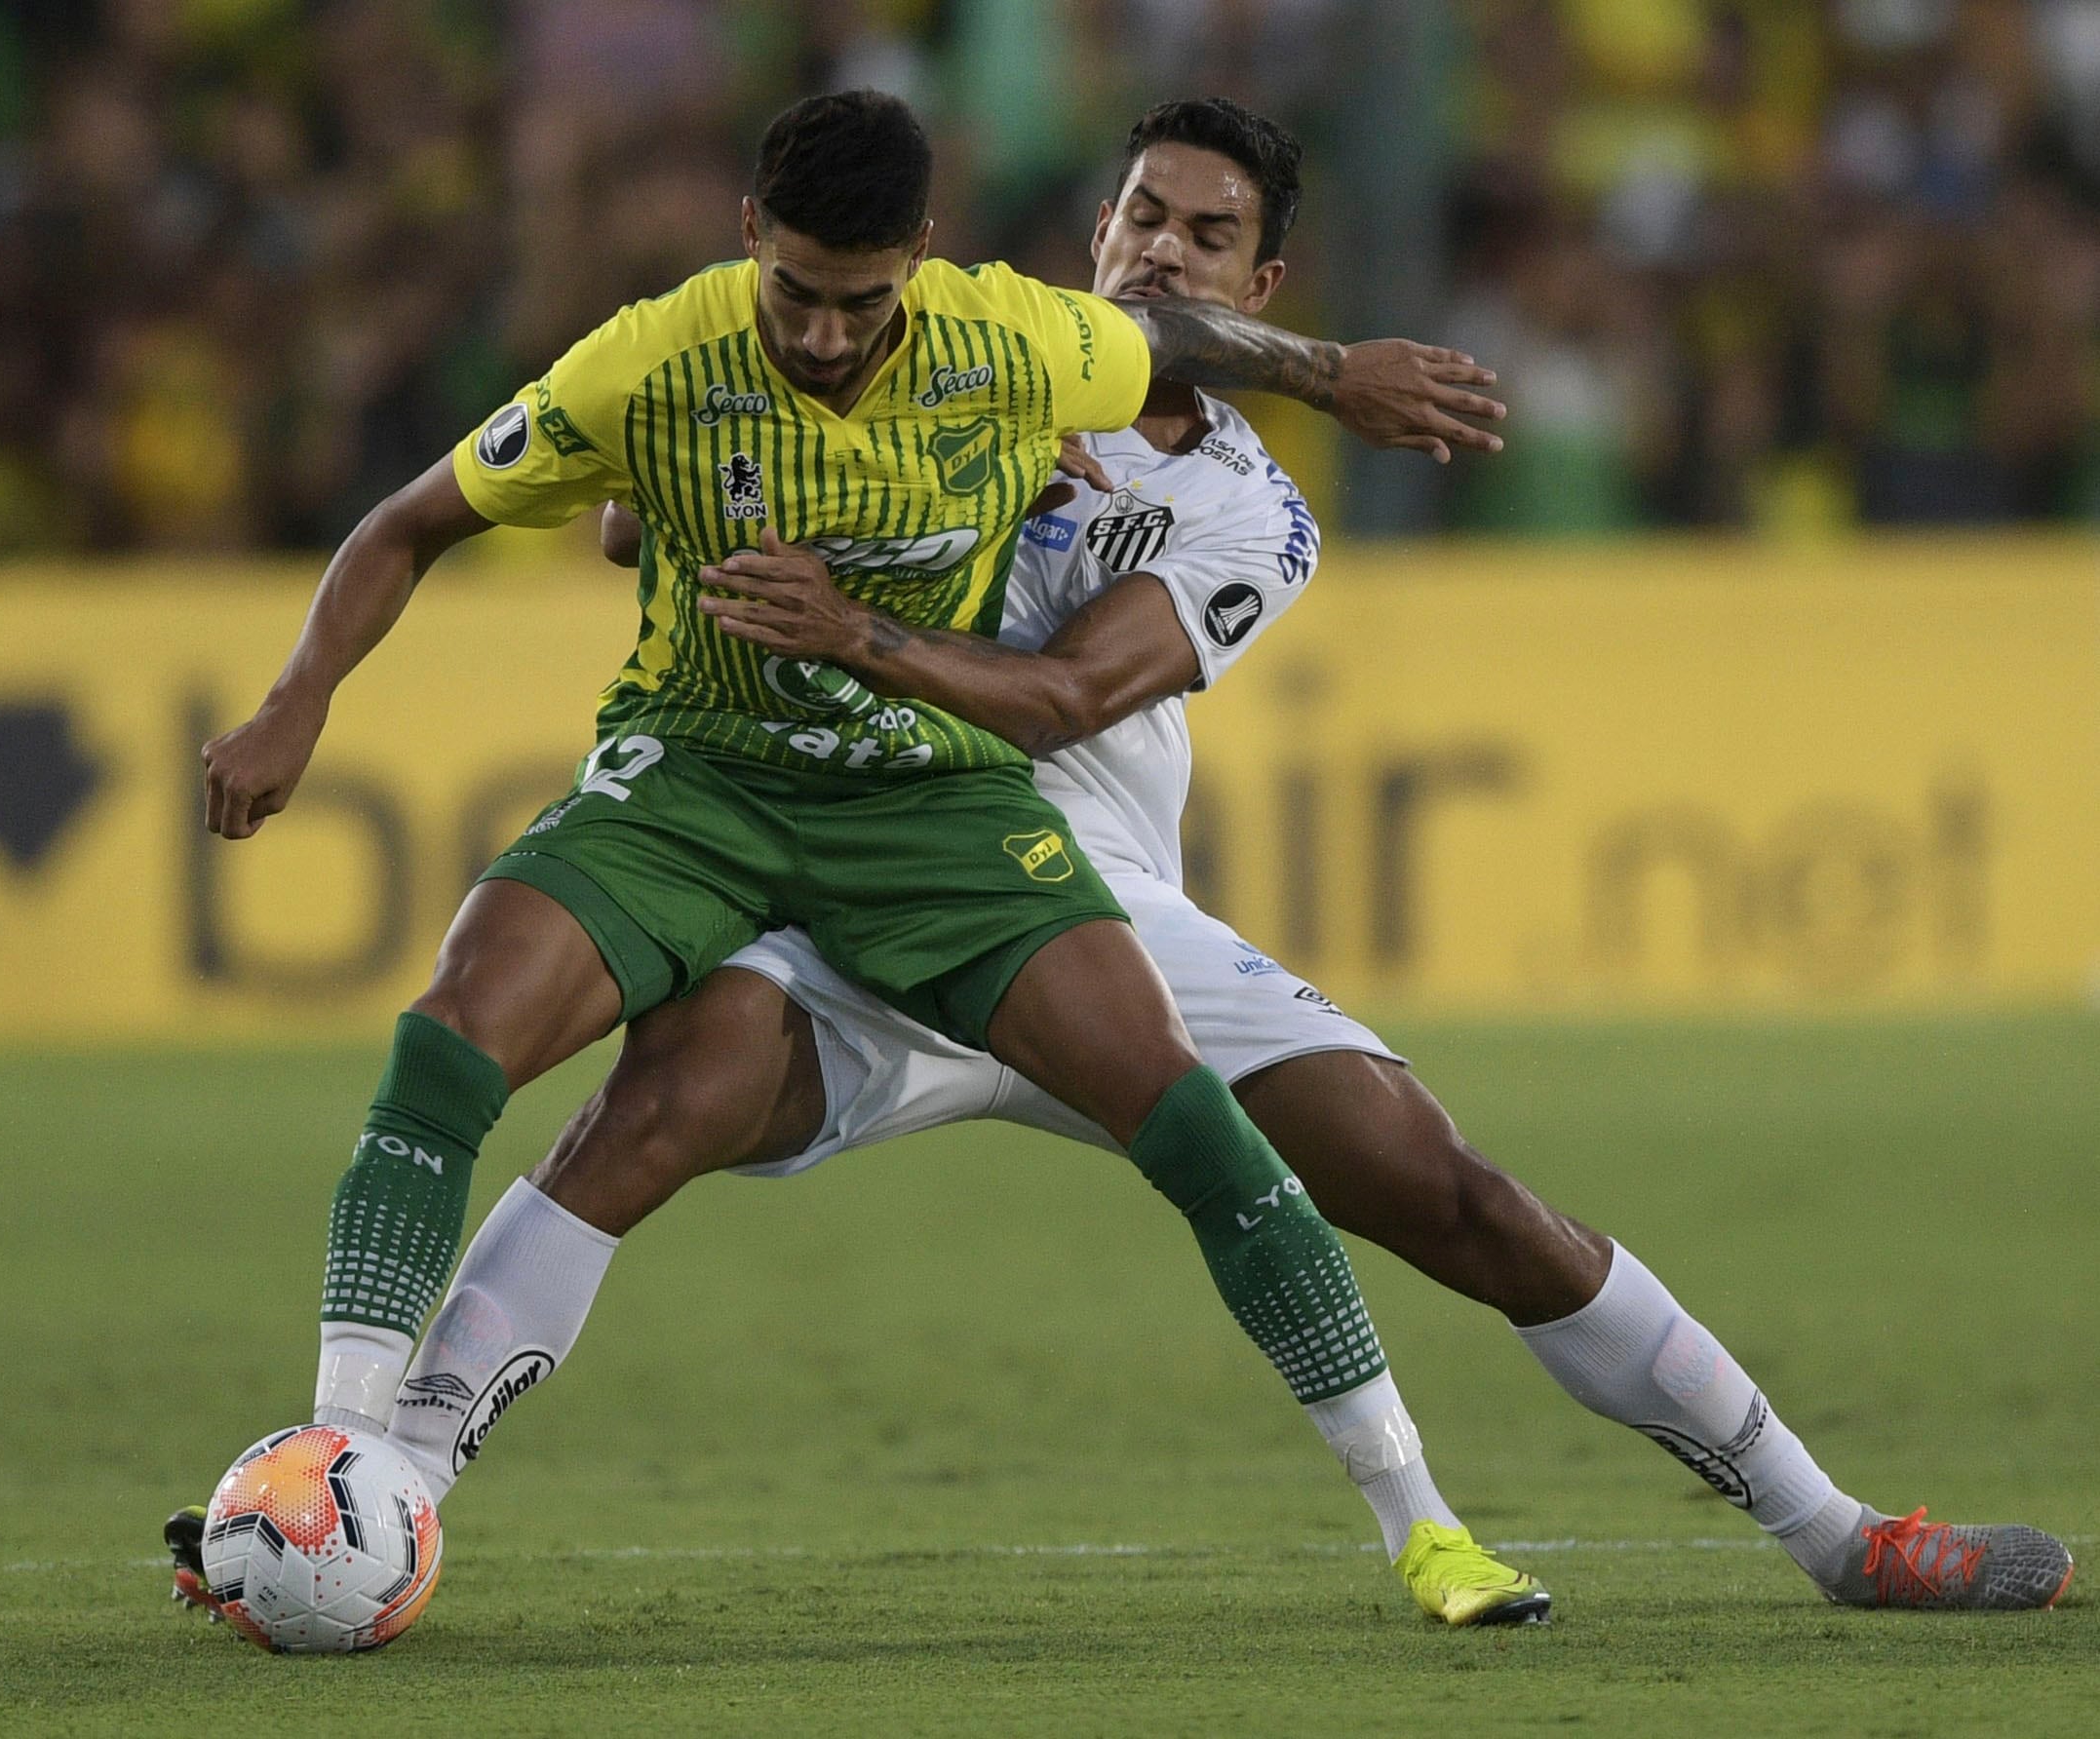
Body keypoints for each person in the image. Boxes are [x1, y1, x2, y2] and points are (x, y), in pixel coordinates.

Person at [360, 98, 2072, 1622]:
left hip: (1086, 911)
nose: (1156, 245)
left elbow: (1056, 703)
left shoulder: (1251, 511)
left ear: (1259, 291)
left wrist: (861, 618)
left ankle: (1838, 1532)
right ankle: (370, 1499)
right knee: (644, 1115)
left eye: (1205, 232)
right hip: (848, 879)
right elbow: (635, 516)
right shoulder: (958, 366)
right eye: (1136, 215)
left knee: (1455, 1195)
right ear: (1087, 233)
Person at [179, 89, 1521, 1614]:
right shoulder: (653, 352)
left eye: (862, 303)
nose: (823, 336)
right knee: (450, 1041)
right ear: (752, 236)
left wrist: (1336, 376)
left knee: (1192, 1123)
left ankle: (1421, 1521)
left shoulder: (1011, 339)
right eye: (797, 296)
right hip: (700, 772)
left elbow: (1176, 340)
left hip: (925, 802)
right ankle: (341, 1474)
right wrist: (297, 702)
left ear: (923, 262)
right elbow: (414, 520)